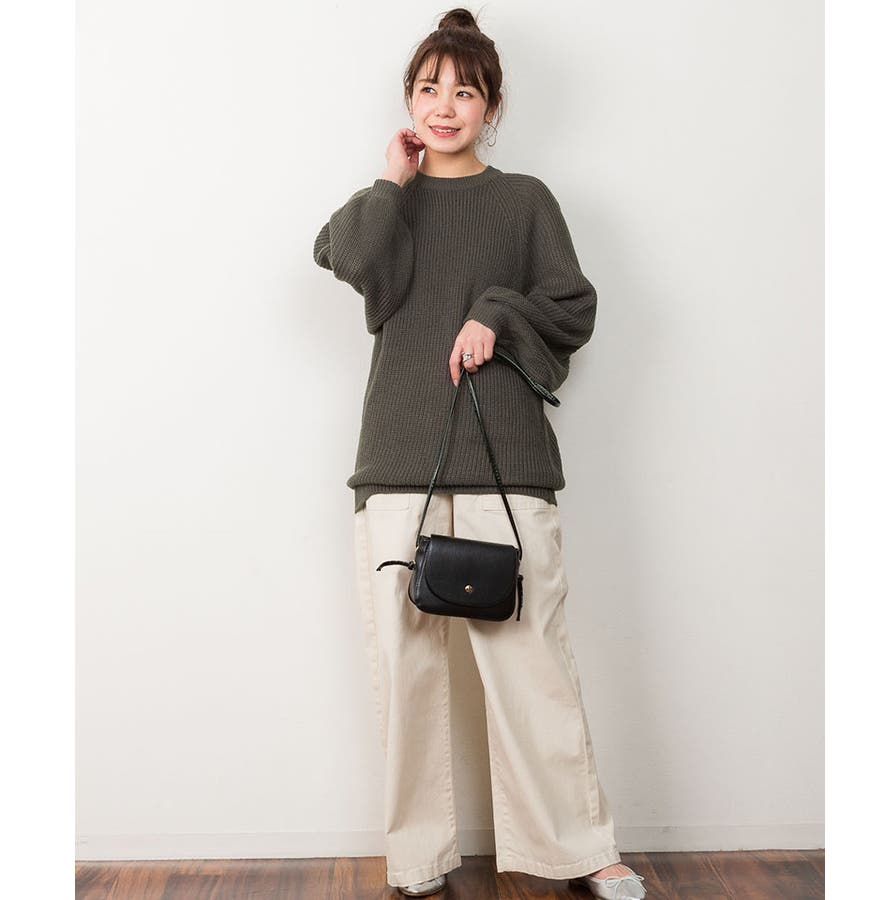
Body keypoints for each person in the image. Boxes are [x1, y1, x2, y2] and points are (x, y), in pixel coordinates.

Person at [312, 8, 647, 899]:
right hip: (398, 459)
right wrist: (392, 179)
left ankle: (580, 850)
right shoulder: (386, 206)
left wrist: (495, 311)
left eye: (464, 92)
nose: (444, 106)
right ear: (408, 101)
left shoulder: (525, 200)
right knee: (406, 669)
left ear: (492, 106)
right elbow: (347, 257)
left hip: (507, 458)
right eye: (428, 88)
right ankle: (417, 859)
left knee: (533, 661)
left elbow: (572, 304)